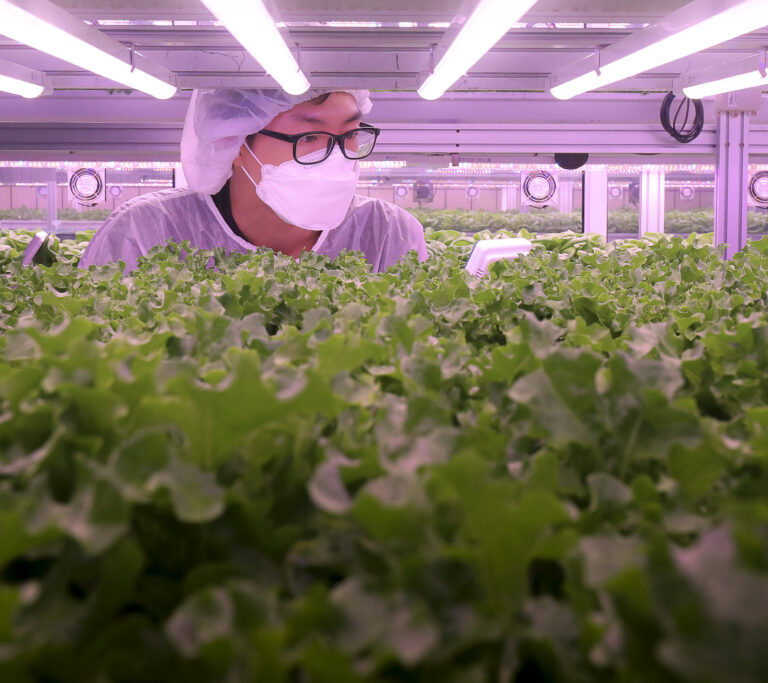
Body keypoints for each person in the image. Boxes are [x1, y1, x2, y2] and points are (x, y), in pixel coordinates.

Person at [78, 88, 427, 273]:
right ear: (236, 141)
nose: (336, 157)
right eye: (308, 138)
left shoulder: (387, 234)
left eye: (350, 135)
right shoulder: (143, 233)